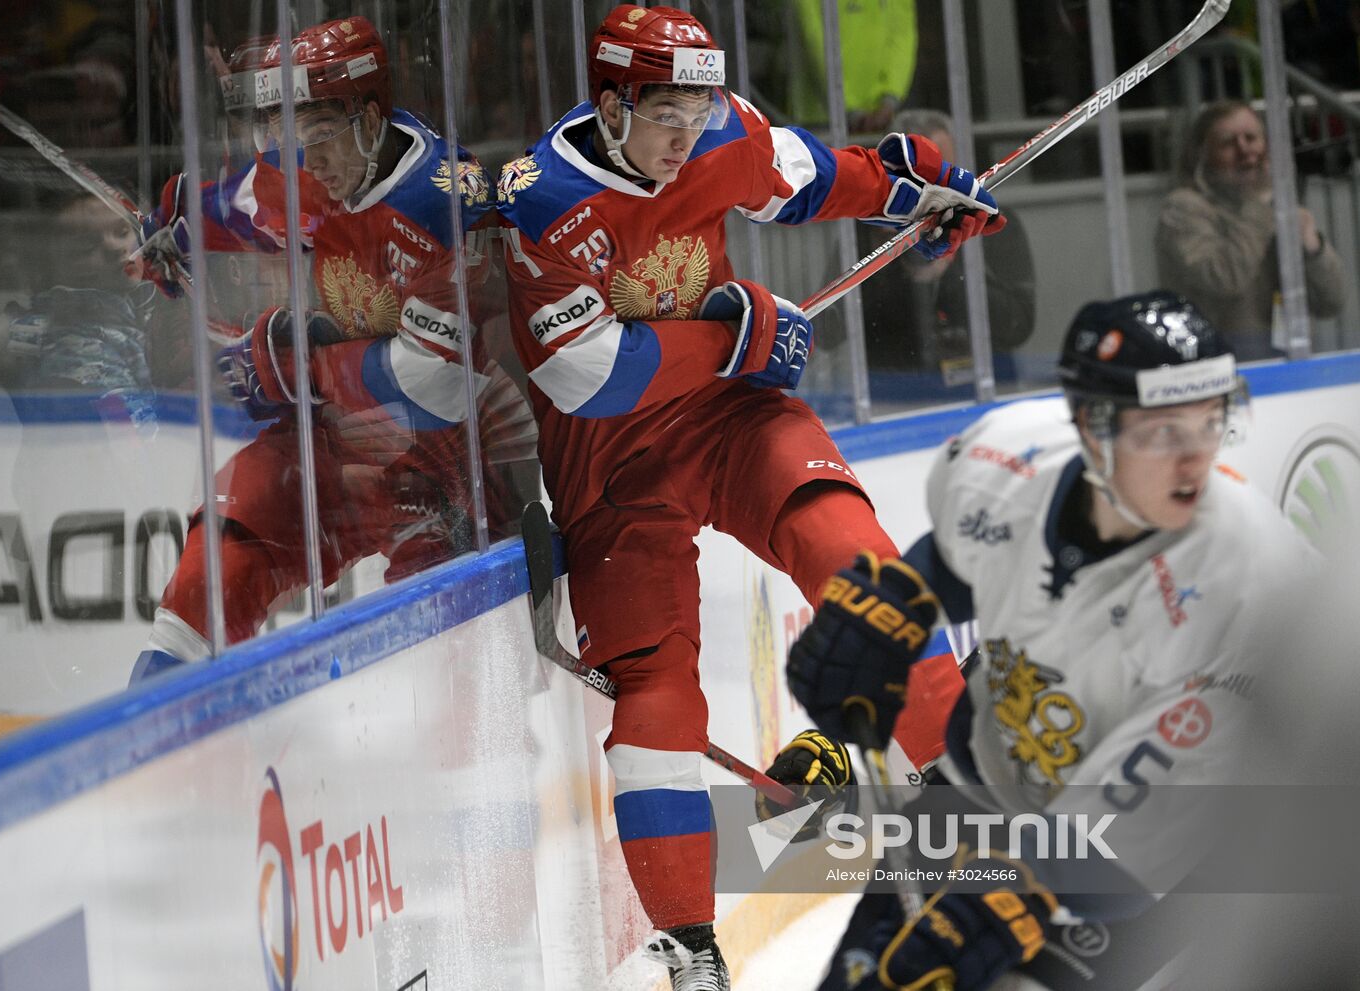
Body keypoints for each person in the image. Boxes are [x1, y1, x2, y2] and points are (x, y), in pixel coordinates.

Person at [495, 5, 1005, 987]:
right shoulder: (541, 198)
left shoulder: (718, 130)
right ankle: (691, 952)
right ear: (608, 105)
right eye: (661, 114)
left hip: (731, 421)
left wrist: (916, 185)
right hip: (611, 473)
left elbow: (811, 179)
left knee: (863, 570)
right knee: (656, 701)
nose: (684, 136)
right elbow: (581, 374)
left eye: (695, 107)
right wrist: (727, 335)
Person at [783, 289, 1316, 989]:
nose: (1193, 460)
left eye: (1209, 422)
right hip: (993, 789)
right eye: (1162, 431)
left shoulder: (1248, 588)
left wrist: (1015, 889)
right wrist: (893, 608)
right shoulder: (1009, 462)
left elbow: (1130, 833)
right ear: (1093, 426)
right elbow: (960, 566)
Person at [124, 16, 505, 679]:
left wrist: (291, 356)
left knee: (451, 674)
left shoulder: (444, 200)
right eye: (288, 134)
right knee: (214, 562)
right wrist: (171, 227)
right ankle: (160, 758)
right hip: (336, 447)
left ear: (371, 117)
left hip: (443, 470)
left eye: (320, 132)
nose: (305, 156)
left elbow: (439, 385)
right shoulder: (307, 171)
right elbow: (223, 204)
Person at [859, 108, 1035, 397]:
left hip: (988, 390)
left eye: (948, 172)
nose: (940, 188)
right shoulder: (869, 229)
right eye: (924, 178)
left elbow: (1020, 324)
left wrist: (952, 276)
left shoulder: (994, 222)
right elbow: (836, 333)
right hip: (896, 399)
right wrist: (890, 260)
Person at [1156, 100, 1345, 361]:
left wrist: (1313, 248)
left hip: (1290, 355)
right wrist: (1258, 207)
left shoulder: (1275, 204)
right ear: (1202, 154)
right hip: (1217, 360)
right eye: (1228, 143)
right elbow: (1223, 279)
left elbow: (1331, 302)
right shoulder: (1184, 208)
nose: (1244, 150)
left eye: (1251, 138)